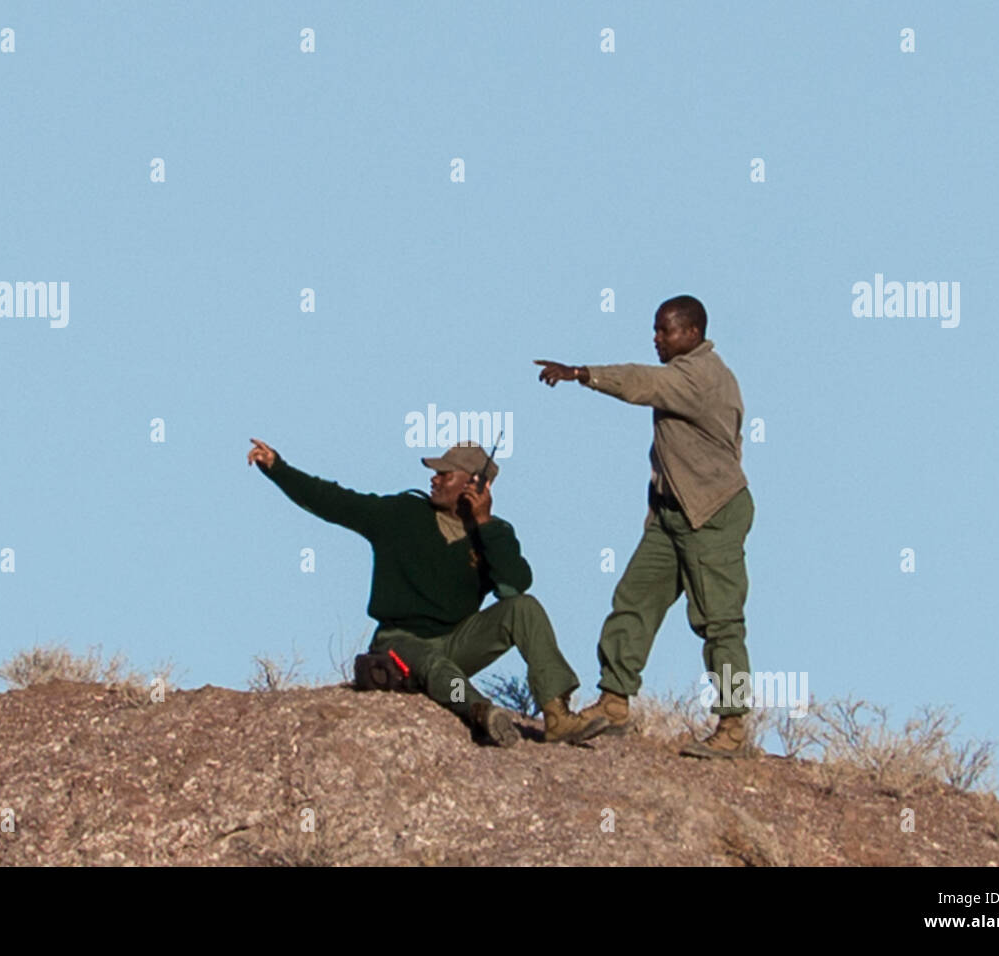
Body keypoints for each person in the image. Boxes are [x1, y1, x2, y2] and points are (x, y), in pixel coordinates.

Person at [246, 438, 608, 747]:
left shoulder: (494, 533)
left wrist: (484, 524)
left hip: (455, 642)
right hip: (400, 641)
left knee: (524, 608)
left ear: (474, 485)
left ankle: (558, 717)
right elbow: (334, 501)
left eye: (444, 474)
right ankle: (479, 711)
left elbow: (513, 587)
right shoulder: (402, 513)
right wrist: (278, 468)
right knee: (434, 665)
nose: (433, 479)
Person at [535, 294, 755, 758]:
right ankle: (614, 703)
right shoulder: (687, 372)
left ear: (691, 334)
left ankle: (733, 727)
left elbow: (642, 383)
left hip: (711, 513)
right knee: (634, 601)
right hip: (672, 514)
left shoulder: (699, 376)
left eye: (664, 331)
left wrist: (582, 374)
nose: (656, 338)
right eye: (655, 330)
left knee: (720, 624)